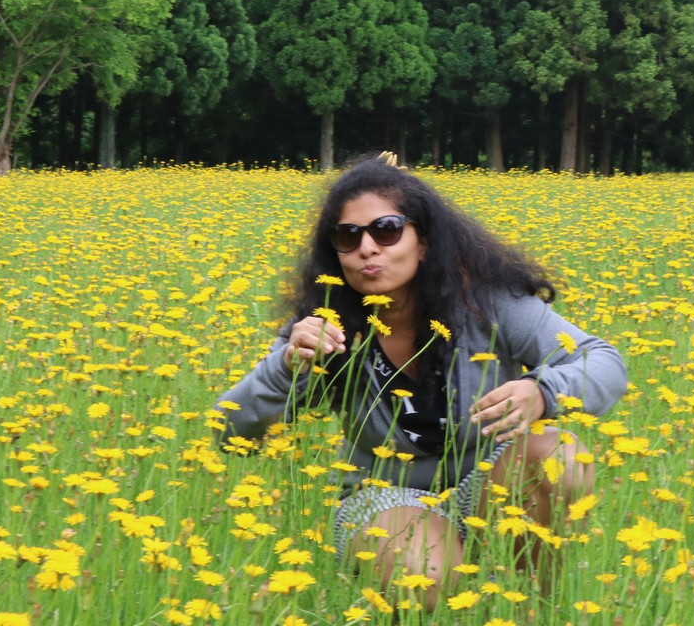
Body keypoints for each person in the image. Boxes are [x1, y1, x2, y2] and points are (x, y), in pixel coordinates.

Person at [215, 153, 627, 609]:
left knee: (559, 456)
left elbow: (603, 361)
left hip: (489, 486)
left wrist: (543, 393)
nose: (368, 248)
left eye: (386, 230)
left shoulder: (486, 305)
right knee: (425, 574)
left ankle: (526, 609)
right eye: (347, 237)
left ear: (423, 241)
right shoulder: (326, 327)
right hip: (384, 497)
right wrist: (288, 367)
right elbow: (229, 431)